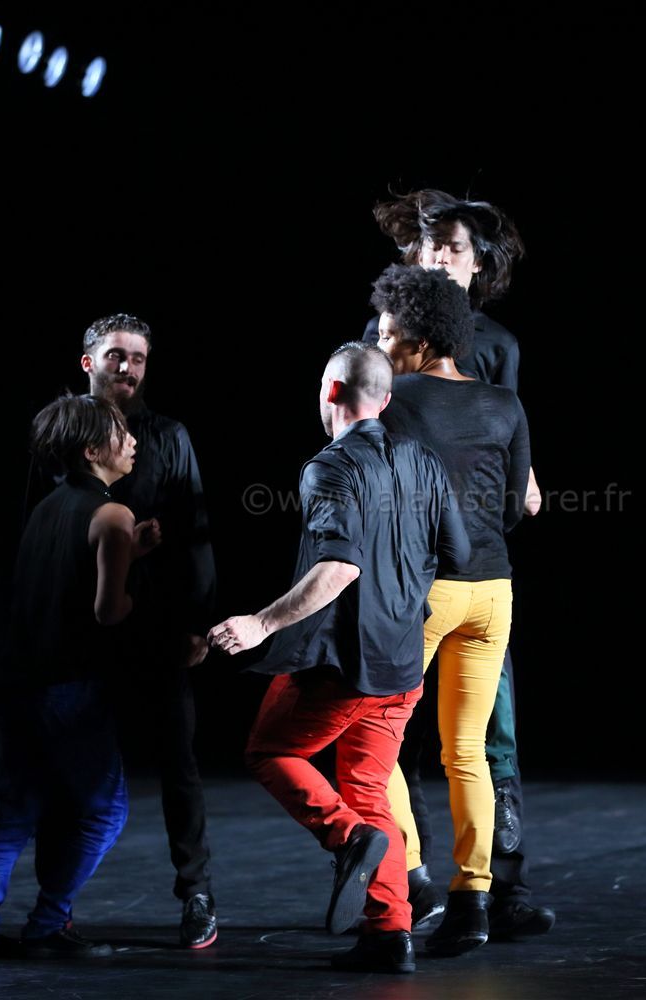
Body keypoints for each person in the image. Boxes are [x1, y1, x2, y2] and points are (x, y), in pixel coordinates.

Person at [207, 343, 467, 974]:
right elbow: (457, 554)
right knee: (369, 791)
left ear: (329, 391)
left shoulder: (330, 467)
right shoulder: (424, 460)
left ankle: (347, 838)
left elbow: (340, 566)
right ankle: (390, 936)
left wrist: (260, 623)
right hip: (402, 665)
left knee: (270, 752)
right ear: (385, 399)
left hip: (340, 669)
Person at [365, 190, 555, 939]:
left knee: (478, 735)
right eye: (430, 244)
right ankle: (421, 887)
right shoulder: (385, 337)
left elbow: (504, 447)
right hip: (466, 572)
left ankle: (493, 888)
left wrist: (514, 483)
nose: (439, 255)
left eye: (453, 245)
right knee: (420, 739)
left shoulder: (497, 347)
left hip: (446, 575)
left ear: (479, 264)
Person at [0, 394, 158, 960]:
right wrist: (142, 601)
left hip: (19, 682)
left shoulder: (46, 509)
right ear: (92, 451)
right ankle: (47, 923)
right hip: (71, 688)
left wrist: (129, 554)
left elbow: (65, 580)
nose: (132, 441)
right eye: (120, 433)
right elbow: (107, 612)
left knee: (15, 813)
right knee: (105, 812)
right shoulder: (113, 514)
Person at [79, 313, 220, 948]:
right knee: (73, 764)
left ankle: (197, 891)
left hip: (159, 623)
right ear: (89, 362)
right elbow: (36, 525)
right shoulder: (62, 431)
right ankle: (58, 902)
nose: (127, 368)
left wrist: (198, 621)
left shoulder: (168, 436)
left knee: (178, 764)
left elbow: (195, 533)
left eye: (137, 358)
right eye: (116, 355)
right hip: (82, 627)